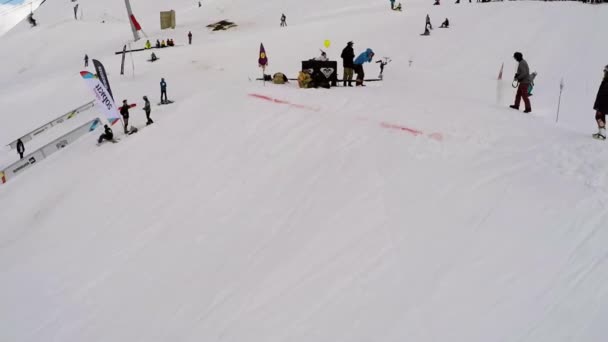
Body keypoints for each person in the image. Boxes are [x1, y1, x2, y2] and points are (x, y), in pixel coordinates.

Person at [592, 65, 608, 140]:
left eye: (605, 71)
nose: (604, 73)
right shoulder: (605, 81)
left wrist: (600, 104)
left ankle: (602, 134)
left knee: (598, 117)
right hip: (602, 103)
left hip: (603, 104)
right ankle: (601, 133)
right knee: (601, 117)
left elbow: (604, 94)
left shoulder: (607, 82)